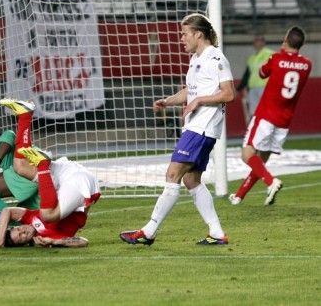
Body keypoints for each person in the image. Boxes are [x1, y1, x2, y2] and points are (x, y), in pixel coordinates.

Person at [119, 13, 236, 246]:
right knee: (191, 180)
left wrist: (200, 101)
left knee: (172, 174)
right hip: (196, 127)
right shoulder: (196, 58)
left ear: (198, 34)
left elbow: (229, 93)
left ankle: (149, 231)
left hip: (202, 128)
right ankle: (217, 233)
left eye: (184, 34)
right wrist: (168, 101)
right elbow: (189, 91)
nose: (181, 39)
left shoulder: (216, 59)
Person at [0, 99, 101, 248]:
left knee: (20, 166)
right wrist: (55, 241)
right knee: (48, 215)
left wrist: (0, 241)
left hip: (63, 174)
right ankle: (42, 164)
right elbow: (84, 241)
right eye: (21, 237)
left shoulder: (30, 218)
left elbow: (7, 211)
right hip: (79, 184)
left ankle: (25, 115)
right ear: (27, 243)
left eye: (18, 229)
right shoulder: (48, 237)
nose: (22, 231)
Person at [229, 26, 312, 206]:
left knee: (248, 154)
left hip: (266, 115)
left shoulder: (275, 58)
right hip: (284, 120)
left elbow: (261, 73)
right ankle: (239, 195)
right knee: (261, 160)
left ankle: (271, 182)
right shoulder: (307, 64)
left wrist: (277, 56)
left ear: (285, 40)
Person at [236, 35, 274, 122]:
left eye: (259, 41)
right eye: (256, 41)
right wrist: (240, 88)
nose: (257, 43)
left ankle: (269, 132)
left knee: (266, 111)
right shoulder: (252, 58)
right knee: (253, 112)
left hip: (266, 87)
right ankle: (256, 132)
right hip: (253, 88)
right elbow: (247, 75)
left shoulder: (270, 54)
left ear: (263, 42)